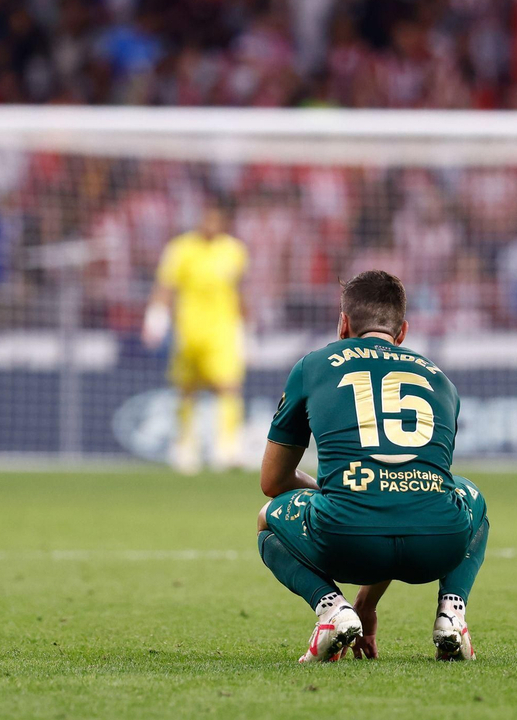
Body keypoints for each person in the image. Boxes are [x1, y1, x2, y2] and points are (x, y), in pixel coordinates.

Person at [255, 270, 490, 663]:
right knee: (469, 493)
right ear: (403, 332)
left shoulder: (313, 366)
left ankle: (332, 609)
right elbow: (398, 492)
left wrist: (338, 492)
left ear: (343, 324)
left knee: (268, 518)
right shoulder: (442, 381)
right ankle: (452, 613)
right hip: (438, 545)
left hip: (345, 541)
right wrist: (369, 601)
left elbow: (273, 480)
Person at [143, 198, 249, 472]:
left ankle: (227, 447)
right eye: (206, 218)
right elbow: (166, 286)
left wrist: (245, 327)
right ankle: (184, 445)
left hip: (222, 331)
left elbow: (241, 291)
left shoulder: (233, 250)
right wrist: (156, 316)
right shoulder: (180, 249)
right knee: (187, 389)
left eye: (216, 219)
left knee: (228, 386)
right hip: (188, 330)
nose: (210, 224)